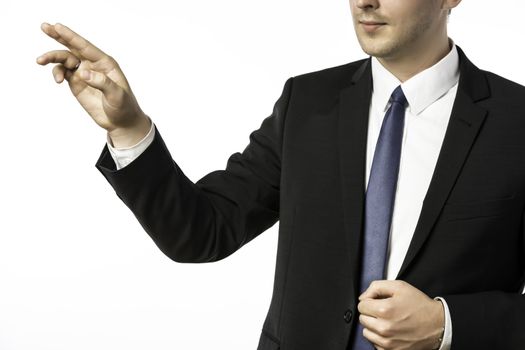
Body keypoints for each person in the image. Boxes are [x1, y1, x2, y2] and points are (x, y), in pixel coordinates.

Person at [36, 0, 525, 349]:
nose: (365, 2)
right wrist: (129, 129)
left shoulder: (516, 122)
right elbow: (201, 232)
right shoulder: (307, 104)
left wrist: (448, 323)